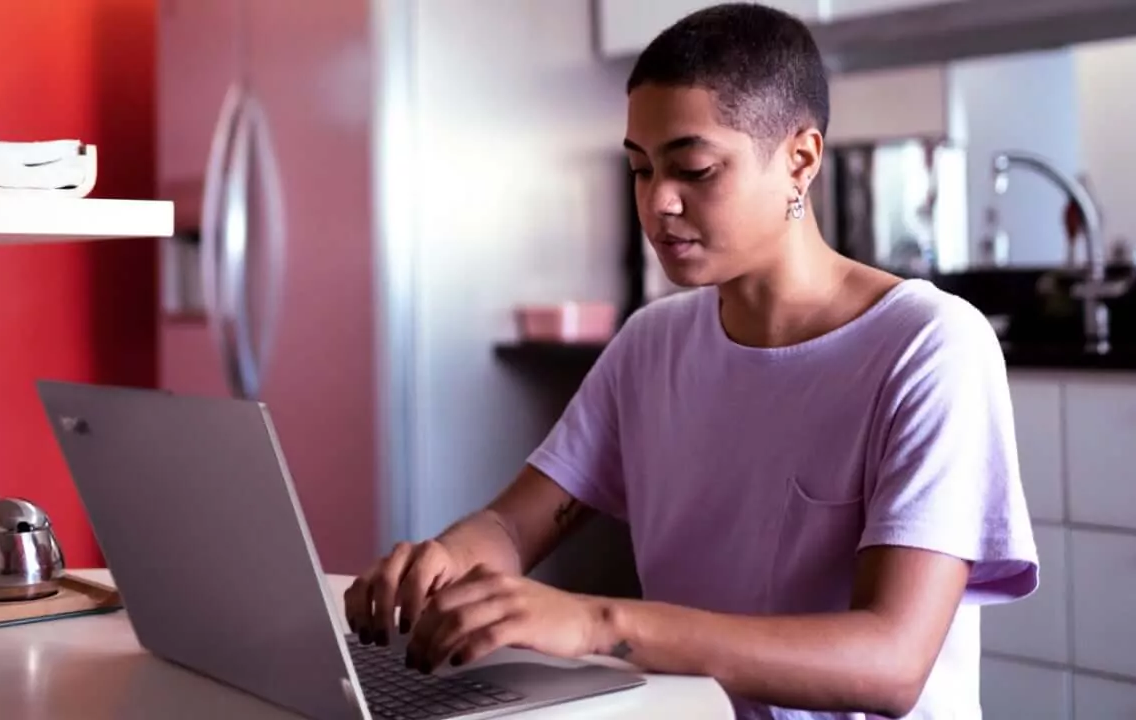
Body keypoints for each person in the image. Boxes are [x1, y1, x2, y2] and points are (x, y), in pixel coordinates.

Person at [344, 3, 1038, 718]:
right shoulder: (652, 343)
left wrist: (596, 624)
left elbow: (890, 665)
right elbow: (514, 527)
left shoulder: (929, 346)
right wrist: (450, 560)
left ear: (800, 160)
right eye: (641, 171)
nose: (657, 203)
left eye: (694, 169)